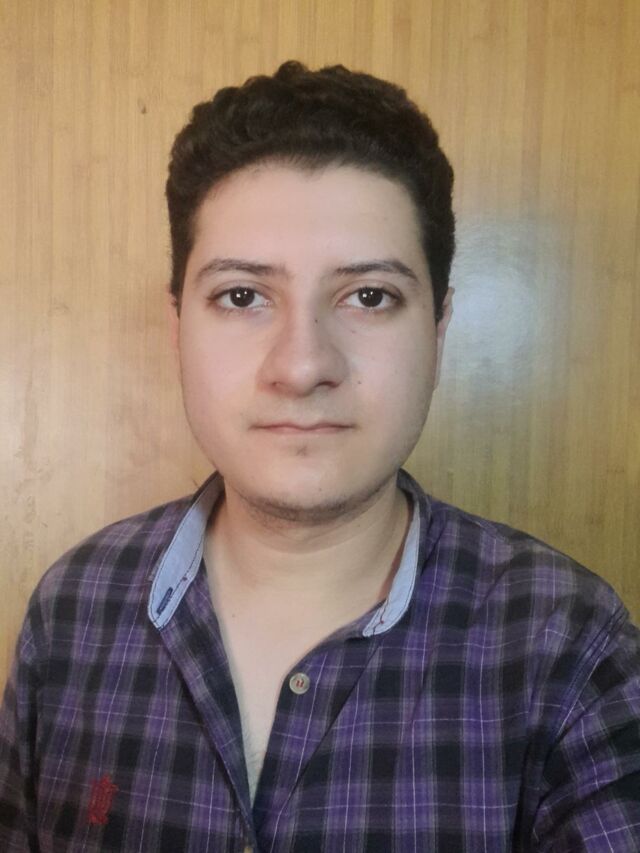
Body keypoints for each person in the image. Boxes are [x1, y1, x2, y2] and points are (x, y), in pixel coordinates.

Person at [1, 61, 639, 853]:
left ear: (438, 330)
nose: (302, 365)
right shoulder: (72, 611)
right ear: (177, 327)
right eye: (242, 295)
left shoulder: (568, 647)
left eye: (369, 296)